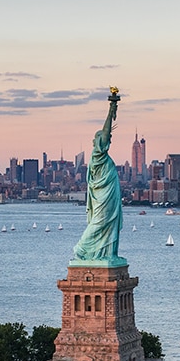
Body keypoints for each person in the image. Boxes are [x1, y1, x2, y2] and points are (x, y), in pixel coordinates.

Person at [73, 91, 124, 263]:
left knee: (109, 224)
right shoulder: (97, 155)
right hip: (103, 197)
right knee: (100, 222)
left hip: (108, 196)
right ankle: (82, 249)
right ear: (97, 142)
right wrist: (112, 109)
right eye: (104, 138)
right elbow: (105, 131)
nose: (108, 139)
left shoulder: (103, 158)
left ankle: (107, 254)